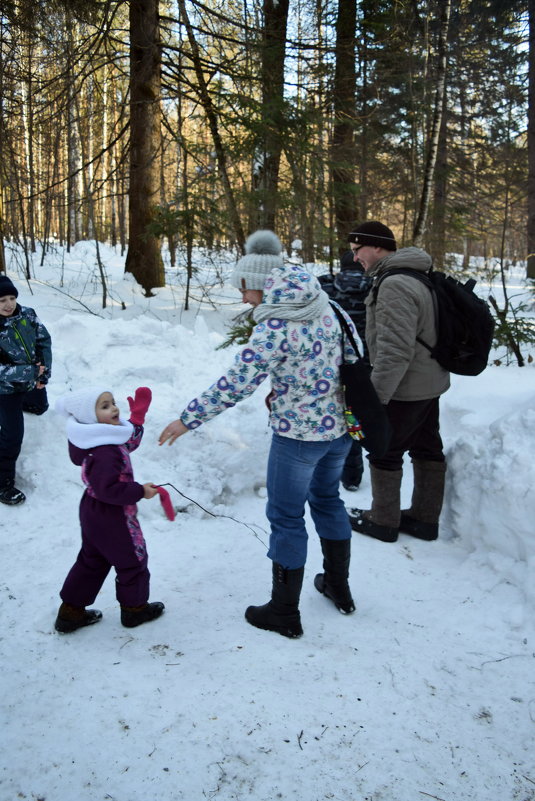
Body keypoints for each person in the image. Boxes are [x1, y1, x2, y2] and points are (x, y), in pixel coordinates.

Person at [159, 230, 359, 639]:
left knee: (286, 517)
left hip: (297, 439)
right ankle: (339, 587)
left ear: (261, 283)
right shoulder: (327, 306)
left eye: (245, 289)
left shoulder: (275, 326)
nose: (245, 298)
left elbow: (236, 384)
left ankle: (284, 613)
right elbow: (353, 358)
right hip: (338, 431)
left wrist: (188, 419)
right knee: (327, 500)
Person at [346, 221, 449, 543]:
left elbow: (395, 352)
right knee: (427, 447)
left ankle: (383, 520)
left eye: (357, 250)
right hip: (429, 381)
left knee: (384, 452)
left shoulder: (394, 284)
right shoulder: (418, 275)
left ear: (376, 246)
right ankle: (423, 518)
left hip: (406, 387)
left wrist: (375, 401)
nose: (354, 258)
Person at [54, 386, 165, 633]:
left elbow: (125, 443)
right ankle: (135, 610)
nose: (114, 408)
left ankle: (70, 613)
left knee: (92, 560)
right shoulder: (105, 452)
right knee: (132, 561)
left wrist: (136, 419)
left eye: (112, 402)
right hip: (113, 515)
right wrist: (140, 491)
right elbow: (109, 489)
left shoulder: (93, 440)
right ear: (90, 418)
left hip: (93, 512)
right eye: (105, 406)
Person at [318, 249, 372, 491]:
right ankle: (353, 476)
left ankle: (326, 469)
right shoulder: (376, 287)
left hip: (331, 363)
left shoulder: (325, 287)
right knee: (358, 415)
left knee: (332, 412)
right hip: (365, 363)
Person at [0, 275, 51, 506]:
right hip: (5, 390)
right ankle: (3, 484)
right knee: (12, 436)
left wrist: (43, 373)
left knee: (40, 408)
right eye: (2, 300)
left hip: (30, 381)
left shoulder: (27, 315)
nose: (9, 304)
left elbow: (43, 341)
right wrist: (30, 372)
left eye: (11, 297)